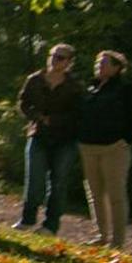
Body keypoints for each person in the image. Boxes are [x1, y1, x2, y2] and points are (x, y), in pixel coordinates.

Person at [13, 42, 82, 235]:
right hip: (38, 134)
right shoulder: (34, 80)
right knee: (34, 179)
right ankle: (27, 219)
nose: (54, 60)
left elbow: (78, 113)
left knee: (58, 183)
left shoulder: (75, 86)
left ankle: (50, 225)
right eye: (52, 55)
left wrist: (55, 120)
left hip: (65, 139)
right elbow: (23, 104)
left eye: (60, 57)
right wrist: (37, 117)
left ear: (69, 62)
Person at [77, 50, 132, 248]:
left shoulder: (125, 89)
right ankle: (101, 235)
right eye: (97, 63)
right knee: (95, 194)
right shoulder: (91, 88)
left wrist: (126, 140)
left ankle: (117, 241)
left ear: (117, 67)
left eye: (104, 63)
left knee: (116, 195)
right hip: (88, 146)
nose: (99, 66)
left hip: (114, 147)